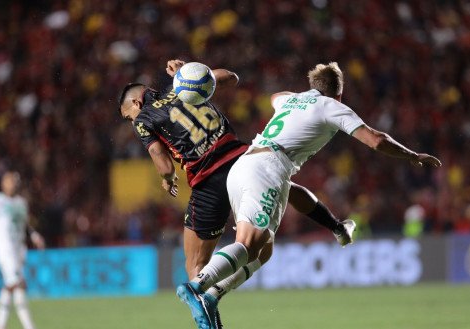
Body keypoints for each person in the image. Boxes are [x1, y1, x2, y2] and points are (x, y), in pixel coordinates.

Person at [177, 62, 442, 329]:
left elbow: (276, 97)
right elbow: (375, 139)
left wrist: (336, 227)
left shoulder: (290, 101)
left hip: (247, 166)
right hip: (268, 167)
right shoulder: (332, 106)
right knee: (249, 243)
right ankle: (197, 286)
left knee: (263, 251)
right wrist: (412, 156)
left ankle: (212, 295)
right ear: (339, 93)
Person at [119, 59, 355, 328]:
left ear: (137, 104)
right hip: (242, 159)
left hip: (207, 182)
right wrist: (193, 72)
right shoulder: (183, 87)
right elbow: (231, 77)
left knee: (196, 264)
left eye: (129, 116)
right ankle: (335, 225)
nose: (132, 121)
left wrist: (167, 179)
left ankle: (206, 310)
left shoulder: (143, 120)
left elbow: (162, 162)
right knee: (267, 237)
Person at [0, 171, 45, 329]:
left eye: (15, 181)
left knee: (9, 286)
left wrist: (34, 235)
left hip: (19, 250)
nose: (13, 184)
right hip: (5, 250)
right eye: (10, 181)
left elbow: (25, 223)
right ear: (3, 183)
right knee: (19, 284)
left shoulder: (21, 202)